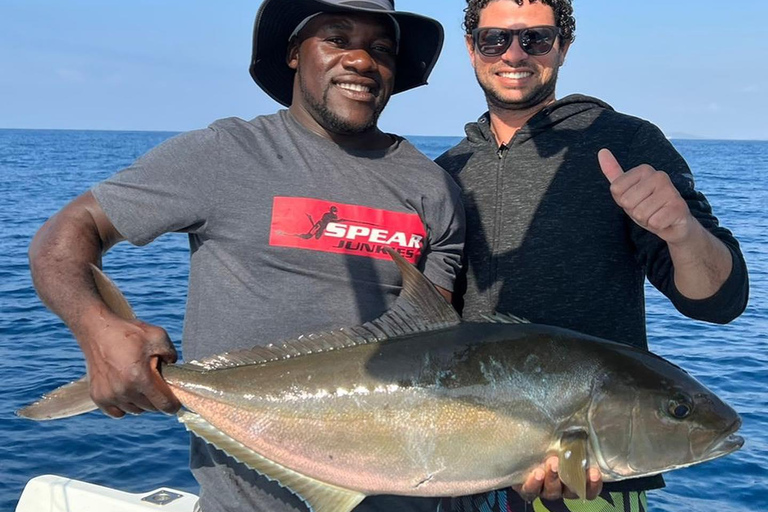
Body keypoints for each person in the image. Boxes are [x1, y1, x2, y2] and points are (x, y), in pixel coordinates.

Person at [27, 1, 465, 511]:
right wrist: (97, 329)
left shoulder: (432, 189)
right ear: (294, 54)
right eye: (337, 39)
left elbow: (431, 345)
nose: (362, 61)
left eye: (381, 48)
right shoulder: (223, 154)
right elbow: (67, 233)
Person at [435, 1, 750, 511]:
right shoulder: (445, 170)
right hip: (458, 469)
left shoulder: (625, 142)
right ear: (472, 48)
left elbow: (719, 300)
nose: (514, 53)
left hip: (593, 475)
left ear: (563, 45)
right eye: (496, 39)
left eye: (535, 38)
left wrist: (682, 231)